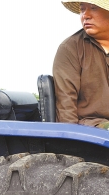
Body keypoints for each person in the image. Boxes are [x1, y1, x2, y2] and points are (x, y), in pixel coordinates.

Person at [53, 0, 109, 129]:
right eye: (82, 9)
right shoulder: (70, 48)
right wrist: (70, 140)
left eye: (93, 8)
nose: (86, 15)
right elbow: (66, 104)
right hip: (91, 128)